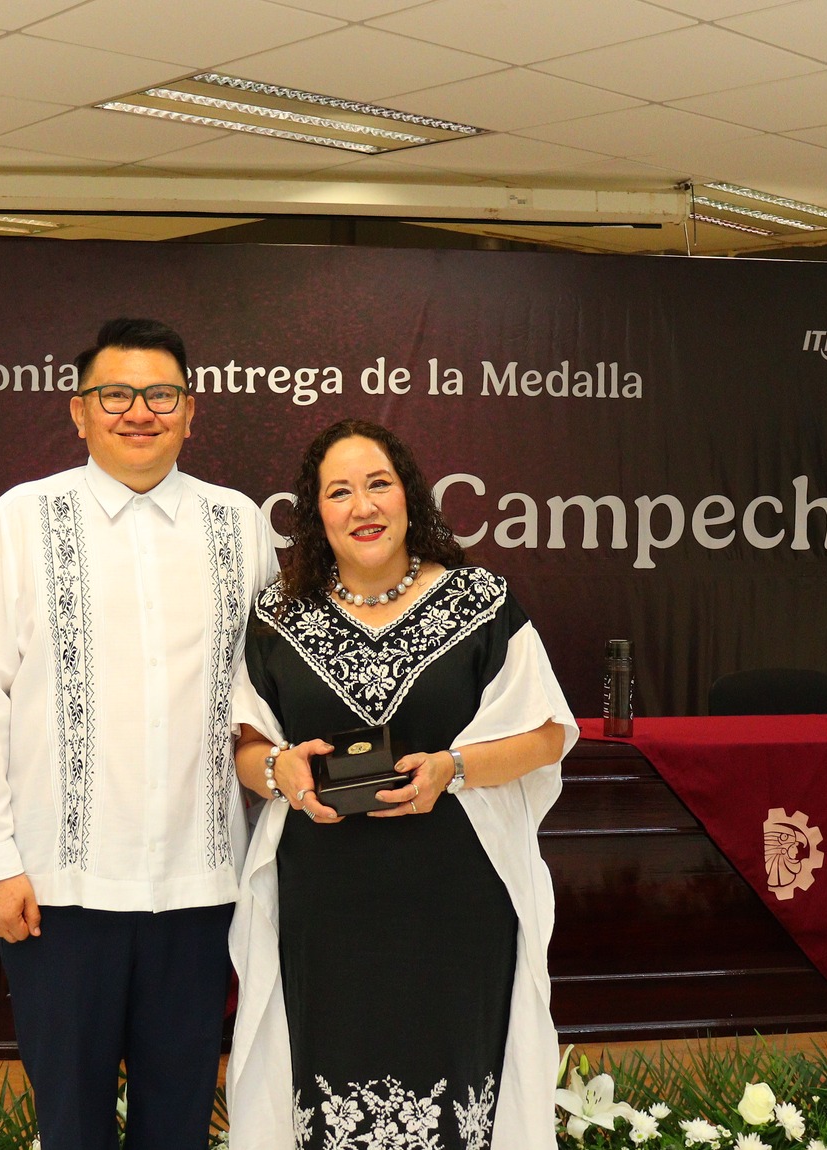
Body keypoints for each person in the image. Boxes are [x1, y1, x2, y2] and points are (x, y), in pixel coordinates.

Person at [0, 317, 277, 1150]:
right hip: (57, 893)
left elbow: (267, 691)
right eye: (115, 394)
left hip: (200, 886)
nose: (139, 412)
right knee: (71, 1125)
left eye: (161, 395)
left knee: (178, 1124)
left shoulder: (240, 524)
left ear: (190, 411)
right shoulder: (23, 519)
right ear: (79, 411)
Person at [226, 419, 577, 1150]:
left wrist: (454, 768)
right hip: (325, 903)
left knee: (454, 1090)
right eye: (339, 492)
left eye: (378, 484)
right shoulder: (276, 615)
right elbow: (245, 744)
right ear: (315, 513)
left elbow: (548, 734)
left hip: (456, 899)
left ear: (409, 496)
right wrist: (279, 768)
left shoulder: (480, 602)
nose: (363, 507)